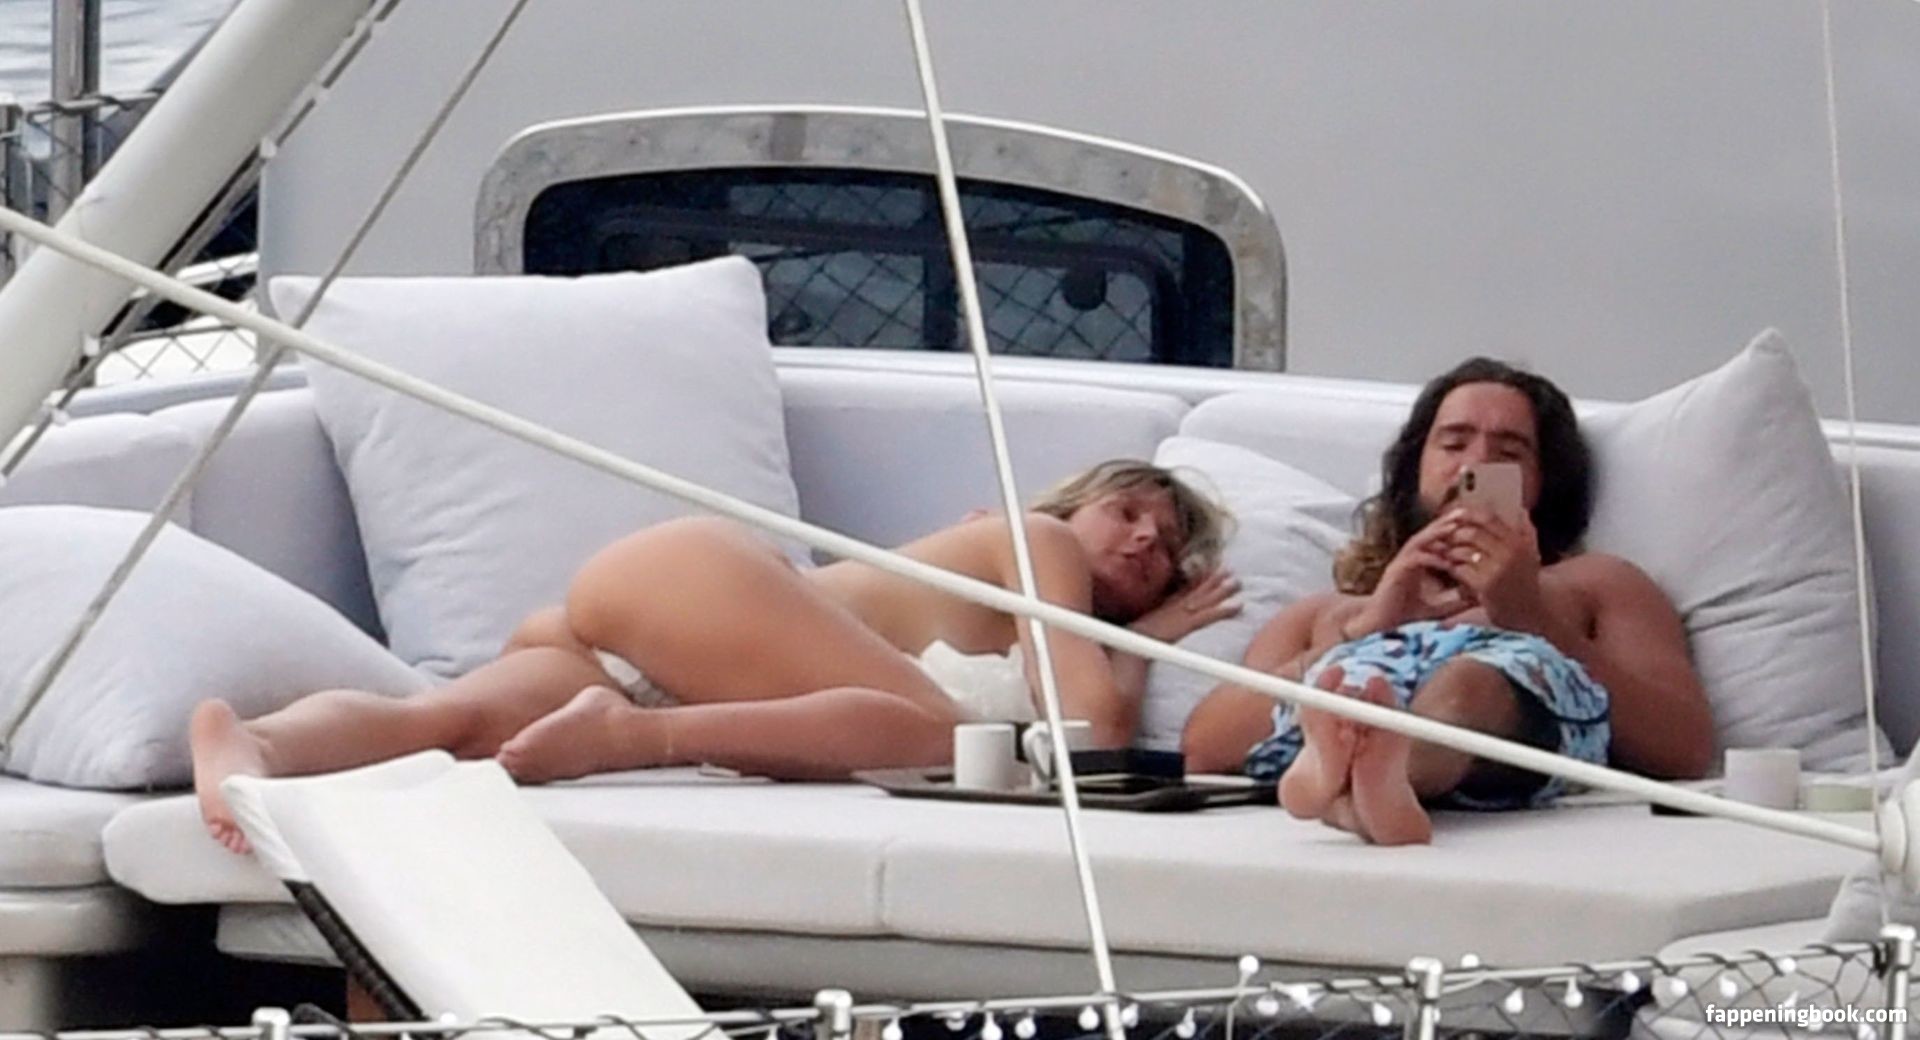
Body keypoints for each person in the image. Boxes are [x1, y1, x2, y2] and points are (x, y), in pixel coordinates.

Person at [191, 459, 1237, 852]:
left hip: (651, 644)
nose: (1144, 538)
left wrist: (1137, 643)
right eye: (1128, 510)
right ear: (1073, 504)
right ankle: (627, 740)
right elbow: (1089, 728)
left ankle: (256, 748)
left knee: (443, 723)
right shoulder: (1038, 541)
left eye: (1165, 549)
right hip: (691, 584)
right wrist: (1142, 640)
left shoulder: (1065, 617)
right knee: (942, 735)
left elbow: (1082, 730)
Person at [1181, 358, 1712, 845]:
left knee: (1469, 683)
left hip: (1502, 729)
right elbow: (1206, 746)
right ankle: (1364, 785)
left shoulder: (1593, 584)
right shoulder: (1327, 614)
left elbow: (1684, 749)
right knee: (1347, 681)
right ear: (1416, 466)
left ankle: (1364, 777)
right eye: (1454, 444)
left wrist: (1531, 616)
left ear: (1544, 482)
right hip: (1358, 680)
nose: (1472, 465)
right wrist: (1368, 627)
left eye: (1508, 454)